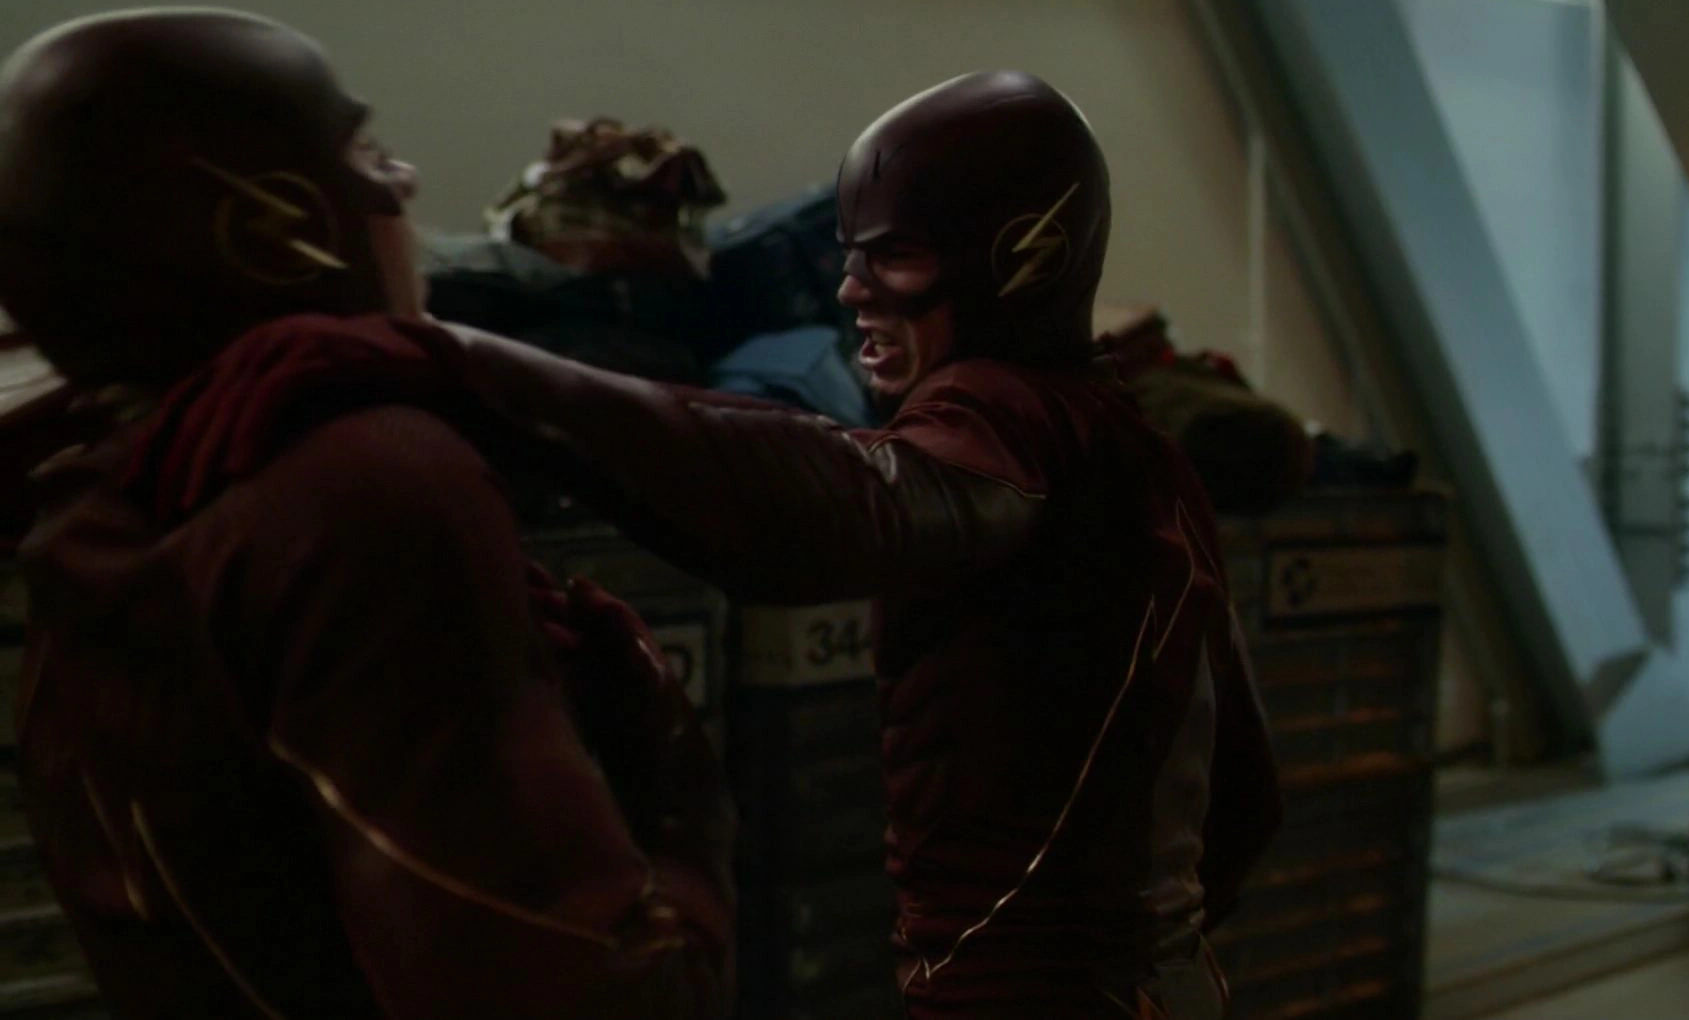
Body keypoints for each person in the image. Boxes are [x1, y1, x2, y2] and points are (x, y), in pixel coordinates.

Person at [361, 70, 1287, 1018]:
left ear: (1023, 258)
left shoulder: (1008, 416)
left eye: (897, 257)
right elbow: (1245, 795)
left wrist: (470, 372)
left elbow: (848, 511)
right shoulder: (1140, 452)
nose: (851, 290)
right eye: (853, 256)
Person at [0, 8, 735, 1020]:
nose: (404, 180)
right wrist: (678, 804)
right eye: (364, 151)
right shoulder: (369, 486)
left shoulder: (96, 494)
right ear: (269, 225)